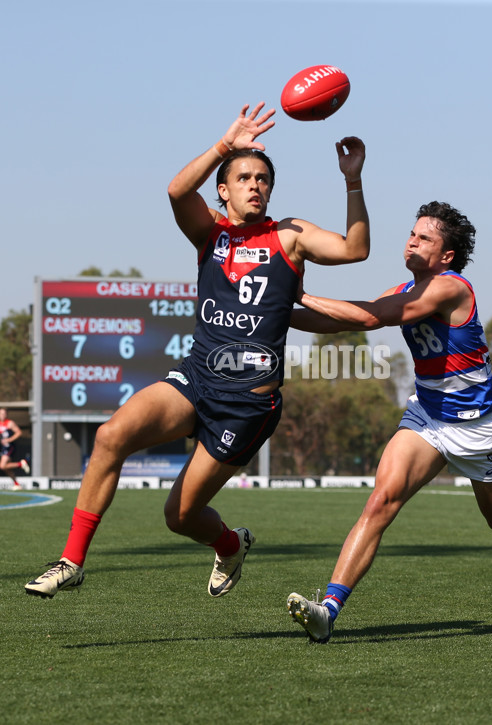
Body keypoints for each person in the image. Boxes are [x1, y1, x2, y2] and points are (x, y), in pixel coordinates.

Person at [25, 102, 370, 599]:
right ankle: (71, 561)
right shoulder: (211, 231)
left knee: (180, 516)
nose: (256, 185)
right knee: (110, 436)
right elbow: (175, 190)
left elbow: (355, 249)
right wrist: (224, 145)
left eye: (263, 179)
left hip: (248, 404)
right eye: (244, 177)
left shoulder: (289, 235)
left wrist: (352, 181)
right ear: (223, 189)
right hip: (196, 378)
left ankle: (230, 544)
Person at [286, 201, 492, 643]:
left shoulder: (450, 288)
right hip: (429, 417)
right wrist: (275, 315)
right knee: (381, 501)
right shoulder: (404, 288)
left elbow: (367, 316)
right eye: (411, 233)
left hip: (483, 428)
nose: (412, 241)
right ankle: (328, 610)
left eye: (425, 238)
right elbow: (340, 323)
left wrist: (297, 292)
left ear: (446, 256)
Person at [0, 408, 30, 491]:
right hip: (3, 448)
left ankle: (21, 464)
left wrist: (9, 440)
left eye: (3, 413)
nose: (2, 415)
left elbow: (19, 432)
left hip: (9, 447)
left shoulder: (10, 423)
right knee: (7, 468)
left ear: (6, 414)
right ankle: (16, 484)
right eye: (0, 413)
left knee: (2, 466)